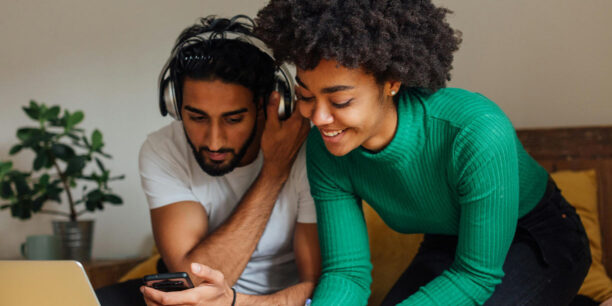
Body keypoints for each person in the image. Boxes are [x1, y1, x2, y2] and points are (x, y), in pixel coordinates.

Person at [255, 1, 591, 305]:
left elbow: (476, 275)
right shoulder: (325, 150)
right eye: (306, 96)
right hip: (448, 243)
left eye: (340, 101)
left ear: (392, 82)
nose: (318, 118)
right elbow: (347, 274)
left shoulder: (475, 131)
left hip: (538, 238)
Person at [96, 15, 318, 306]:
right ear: (175, 106)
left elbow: (318, 286)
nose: (214, 141)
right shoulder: (163, 149)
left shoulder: (305, 150)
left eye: (234, 118)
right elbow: (191, 283)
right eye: (197, 117)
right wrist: (273, 174)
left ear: (268, 106)